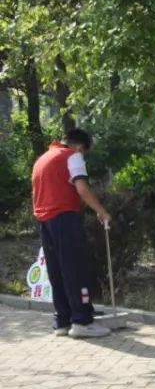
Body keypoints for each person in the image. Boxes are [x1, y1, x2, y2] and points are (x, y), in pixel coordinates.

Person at [31, 128, 112, 339]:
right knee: (76, 267)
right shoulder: (72, 156)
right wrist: (101, 211)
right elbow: (82, 188)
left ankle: (63, 321)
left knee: (57, 271)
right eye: (84, 152)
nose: (82, 156)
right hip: (65, 218)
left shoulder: (42, 159)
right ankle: (82, 321)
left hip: (44, 221)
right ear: (79, 147)